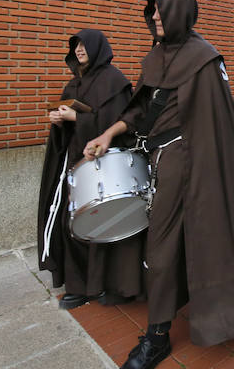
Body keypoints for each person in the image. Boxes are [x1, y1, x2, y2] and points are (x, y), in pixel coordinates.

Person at [83, 0, 234, 369]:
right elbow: (141, 111)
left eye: (159, 12)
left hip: (192, 163)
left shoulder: (203, 59)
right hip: (160, 160)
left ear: (179, 13)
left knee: (164, 247)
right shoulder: (156, 56)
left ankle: (157, 336)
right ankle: (164, 322)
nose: (153, 18)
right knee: (164, 247)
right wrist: (108, 134)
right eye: (151, 12)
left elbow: (215, 124)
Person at [37, 29, 143, 310]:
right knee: (71, 222)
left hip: (105, 164)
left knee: (108, 222)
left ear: (98, 47)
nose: (79, 50)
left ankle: (114, 286)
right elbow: (71, 124)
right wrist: (59, 122)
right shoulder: (73, 85)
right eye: (75, 46)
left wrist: (79, 119)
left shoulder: (115, 81)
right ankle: (80, 285)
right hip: (75, 163)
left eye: (84, 45)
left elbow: (120, 122)